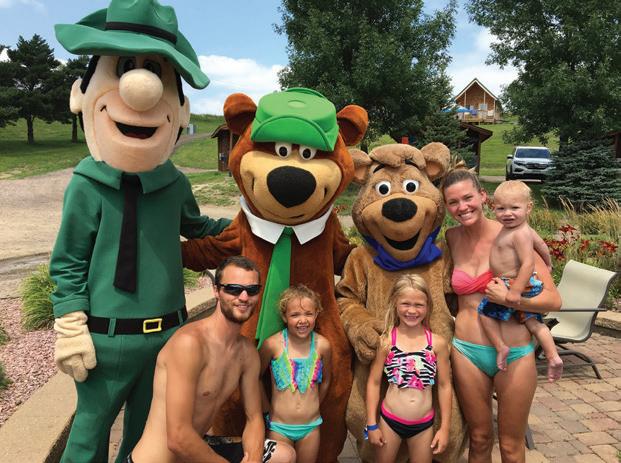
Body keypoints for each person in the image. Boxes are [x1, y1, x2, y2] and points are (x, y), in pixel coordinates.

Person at [442, 169, 561, 462]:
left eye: (468, 198)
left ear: (483, 197)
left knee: (510, 444)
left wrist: (513, 299)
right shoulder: (451, 237)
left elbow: (553, 300)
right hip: (467, 351)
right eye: (453, 202)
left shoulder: (512, 233)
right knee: (479, 438)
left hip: (515, 353)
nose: (462, 207)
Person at [130, 256, 295, 463]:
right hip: (159, 459)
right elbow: (178, 437)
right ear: (216, 290)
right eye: (233, 289)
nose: (244, 297)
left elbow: (254, 419)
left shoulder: (246, 353)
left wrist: (253, 459)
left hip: (195, 453)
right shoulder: (190, 344)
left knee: (283, 455)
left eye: (252, 290)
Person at [477, 180, 563, 380]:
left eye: (514, 208)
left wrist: (514, 292)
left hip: (515, 284)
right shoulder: (525, 230)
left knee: (484, 314)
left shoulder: (518, 234)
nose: (507, 213)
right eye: (501, 208)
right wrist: (548, 263)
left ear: (528, 207)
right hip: (523, 284)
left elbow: (528, 264)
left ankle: (501, 347)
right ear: (493, 208)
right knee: (533, 323)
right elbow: (542, 245)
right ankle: (553, 355)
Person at [365, 275, 452, 463]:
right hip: (389, 421)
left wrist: (445, 428)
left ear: (428, 306)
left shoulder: (437, 344)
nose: (412, 310)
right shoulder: (386, 342)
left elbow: (445, 386)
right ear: (395, 304)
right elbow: (374, 382)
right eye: (405, 303)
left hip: (423, 425)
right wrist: (371, 424)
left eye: (419, 305)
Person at [259, 284, 332, 463]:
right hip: (279, 427)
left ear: (317, 314)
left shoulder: (323, 346)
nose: (303, 320)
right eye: (295, 315)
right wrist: (266, 408)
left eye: (308, 313)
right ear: (284, 316)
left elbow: (327, 380)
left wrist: (315, 404)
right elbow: (255, 377)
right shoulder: (272, 345)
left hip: (311, 427)